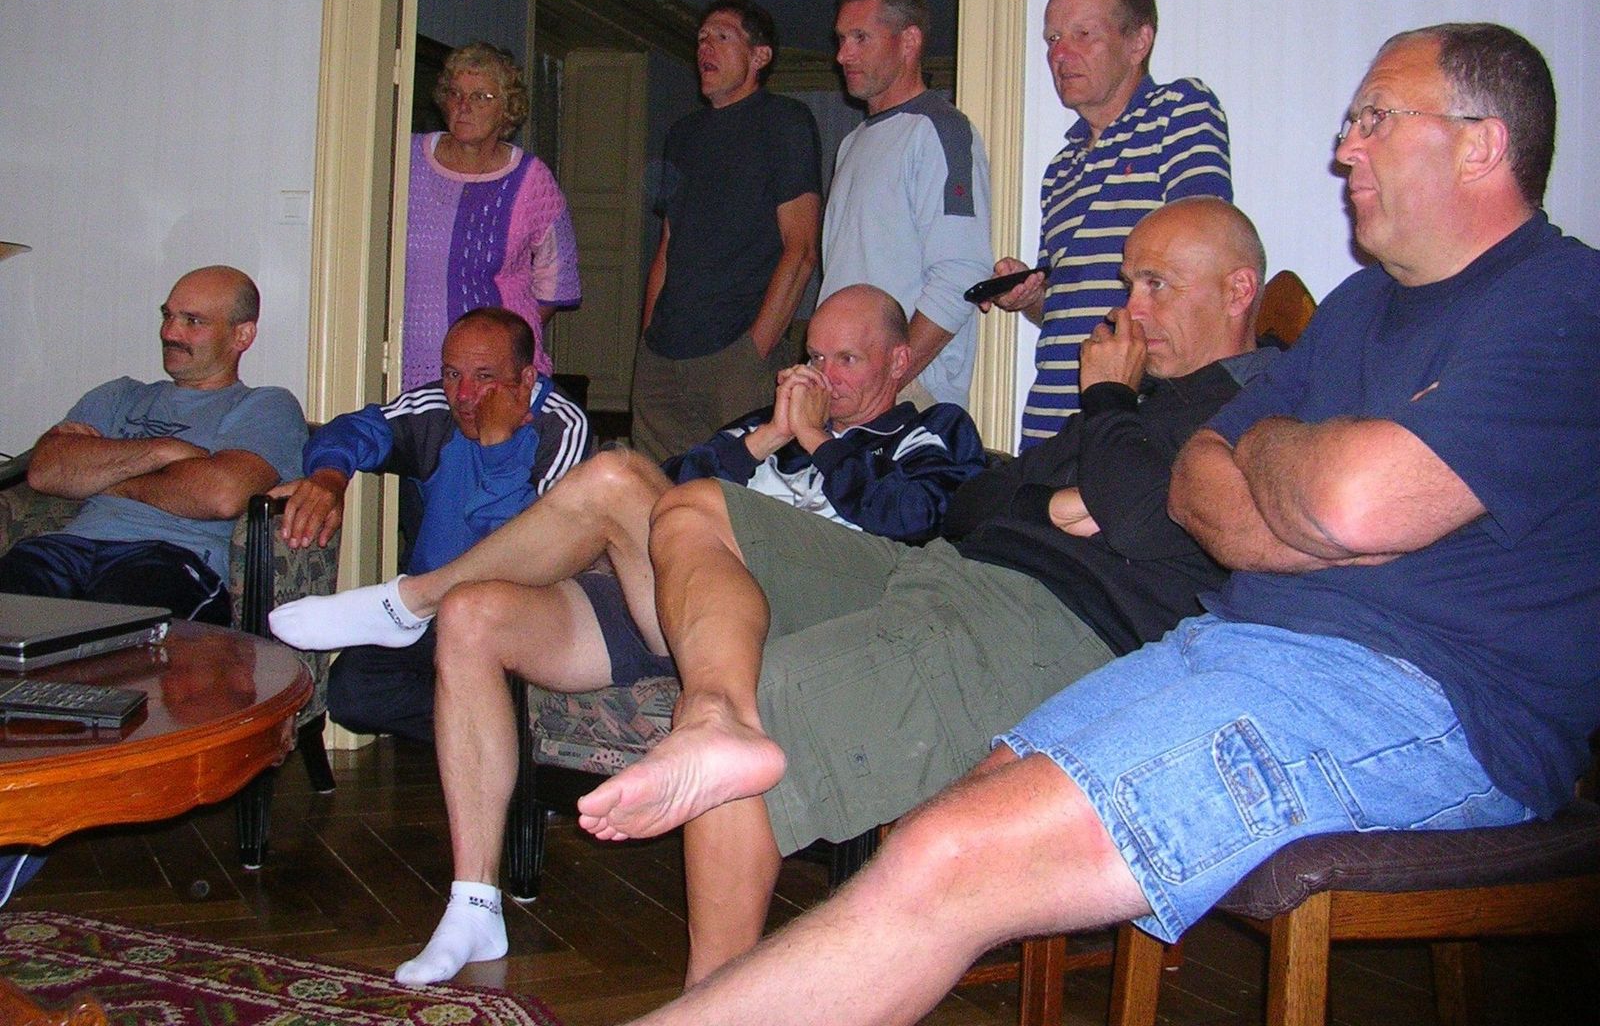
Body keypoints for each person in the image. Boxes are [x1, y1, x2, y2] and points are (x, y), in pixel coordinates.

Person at [609, 22, 1600, 1026]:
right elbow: (1200, 497)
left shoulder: (1565, 302)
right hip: (1233, 645)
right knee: (942, 828)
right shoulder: (1355, 309)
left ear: (1481, 143)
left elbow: (1341, 503)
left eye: (1376, 118)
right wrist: (1292, 481)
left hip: (1423, 696)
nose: (1344, 147)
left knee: (952, 854)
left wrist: (1262, 462)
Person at [578, 196, 1275, 984]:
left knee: (772, 700)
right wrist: (1056, 502)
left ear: (1237, 289)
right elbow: (973, 501)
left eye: (1156, 285)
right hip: (946, 569)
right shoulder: (1142, 401)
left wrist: (1108, 401)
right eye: (1129, 284)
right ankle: (714, 713)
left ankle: (712, 1000)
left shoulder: (1258, 408)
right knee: (694, 508)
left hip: (1043, 622)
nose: (1131, 310)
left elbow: (1146, 527)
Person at [266, 283, 985, 987]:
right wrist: (770, 436)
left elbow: (913, 519)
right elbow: (675, 488)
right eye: (814, 358)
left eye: (846, 361)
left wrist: (816, 440)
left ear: (899, 362)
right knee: (475, 616)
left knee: (613, 477)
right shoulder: (766, 425)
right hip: (678, 603)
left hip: (780, 619)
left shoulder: (935, 431)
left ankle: (410, 601)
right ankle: (474, 904)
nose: (822, 378)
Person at [271, 307, 590, 741]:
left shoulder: (562, 427)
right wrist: (329, 475)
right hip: (428, 610)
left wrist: (497, 447)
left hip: (518, 616)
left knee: (506, 685)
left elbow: (529, 552)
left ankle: (500, 736)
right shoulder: (436, 408)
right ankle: (494, 732)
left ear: (526, 379)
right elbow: (353, 429)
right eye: (452, 374)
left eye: (484, 377)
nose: (464, 394)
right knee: (350, 693)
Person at [982, 0, 1232, 447]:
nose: (1060, 54)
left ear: (1139, 42)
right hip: (1051, 420)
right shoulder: (1061, 168)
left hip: (1136, 420)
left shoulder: (1179, 110)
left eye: (1083, 34)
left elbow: (1205, 250)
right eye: (1053, 38)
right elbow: (1063, 307)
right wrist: (1031, 297)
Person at [0, 267, 305, 625]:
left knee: (113, 632)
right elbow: (45, 471)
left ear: (242, 334)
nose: (169, 332)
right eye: (168, 315)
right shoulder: (118, 395)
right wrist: (164, 452)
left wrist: (99, 474)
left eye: (192, 321)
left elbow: (222, 495)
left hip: (171, 558)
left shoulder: (265, 405)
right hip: (65, 550)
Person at [631, 0, 823, 462]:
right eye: (701, 38)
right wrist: (647, 338)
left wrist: (754, 349)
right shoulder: (683, 135)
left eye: (722, 36)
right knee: (655, 487)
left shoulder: (785, 122)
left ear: (760, 56)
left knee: (738, 487)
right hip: (662, 357)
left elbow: (801, 250)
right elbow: (667, 246)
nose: (705, 47)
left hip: (735, 355)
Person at [818, 0, 993, 409]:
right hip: (844, 387)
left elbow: (962, 273)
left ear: (909, 41)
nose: (843, 55)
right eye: (841, 39)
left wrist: (888, 383)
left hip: (905, 394)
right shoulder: (852, 143)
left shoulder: (940, 130)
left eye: (860, 38)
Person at [402, 41, 581, 391]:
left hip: (496, 370)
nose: (463, 106)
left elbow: (557, 277)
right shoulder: (407, 158)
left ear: (507, 109)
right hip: (411, 359)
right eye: (455, 93)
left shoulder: (531, 179)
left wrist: (508, 336)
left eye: (480, 97)